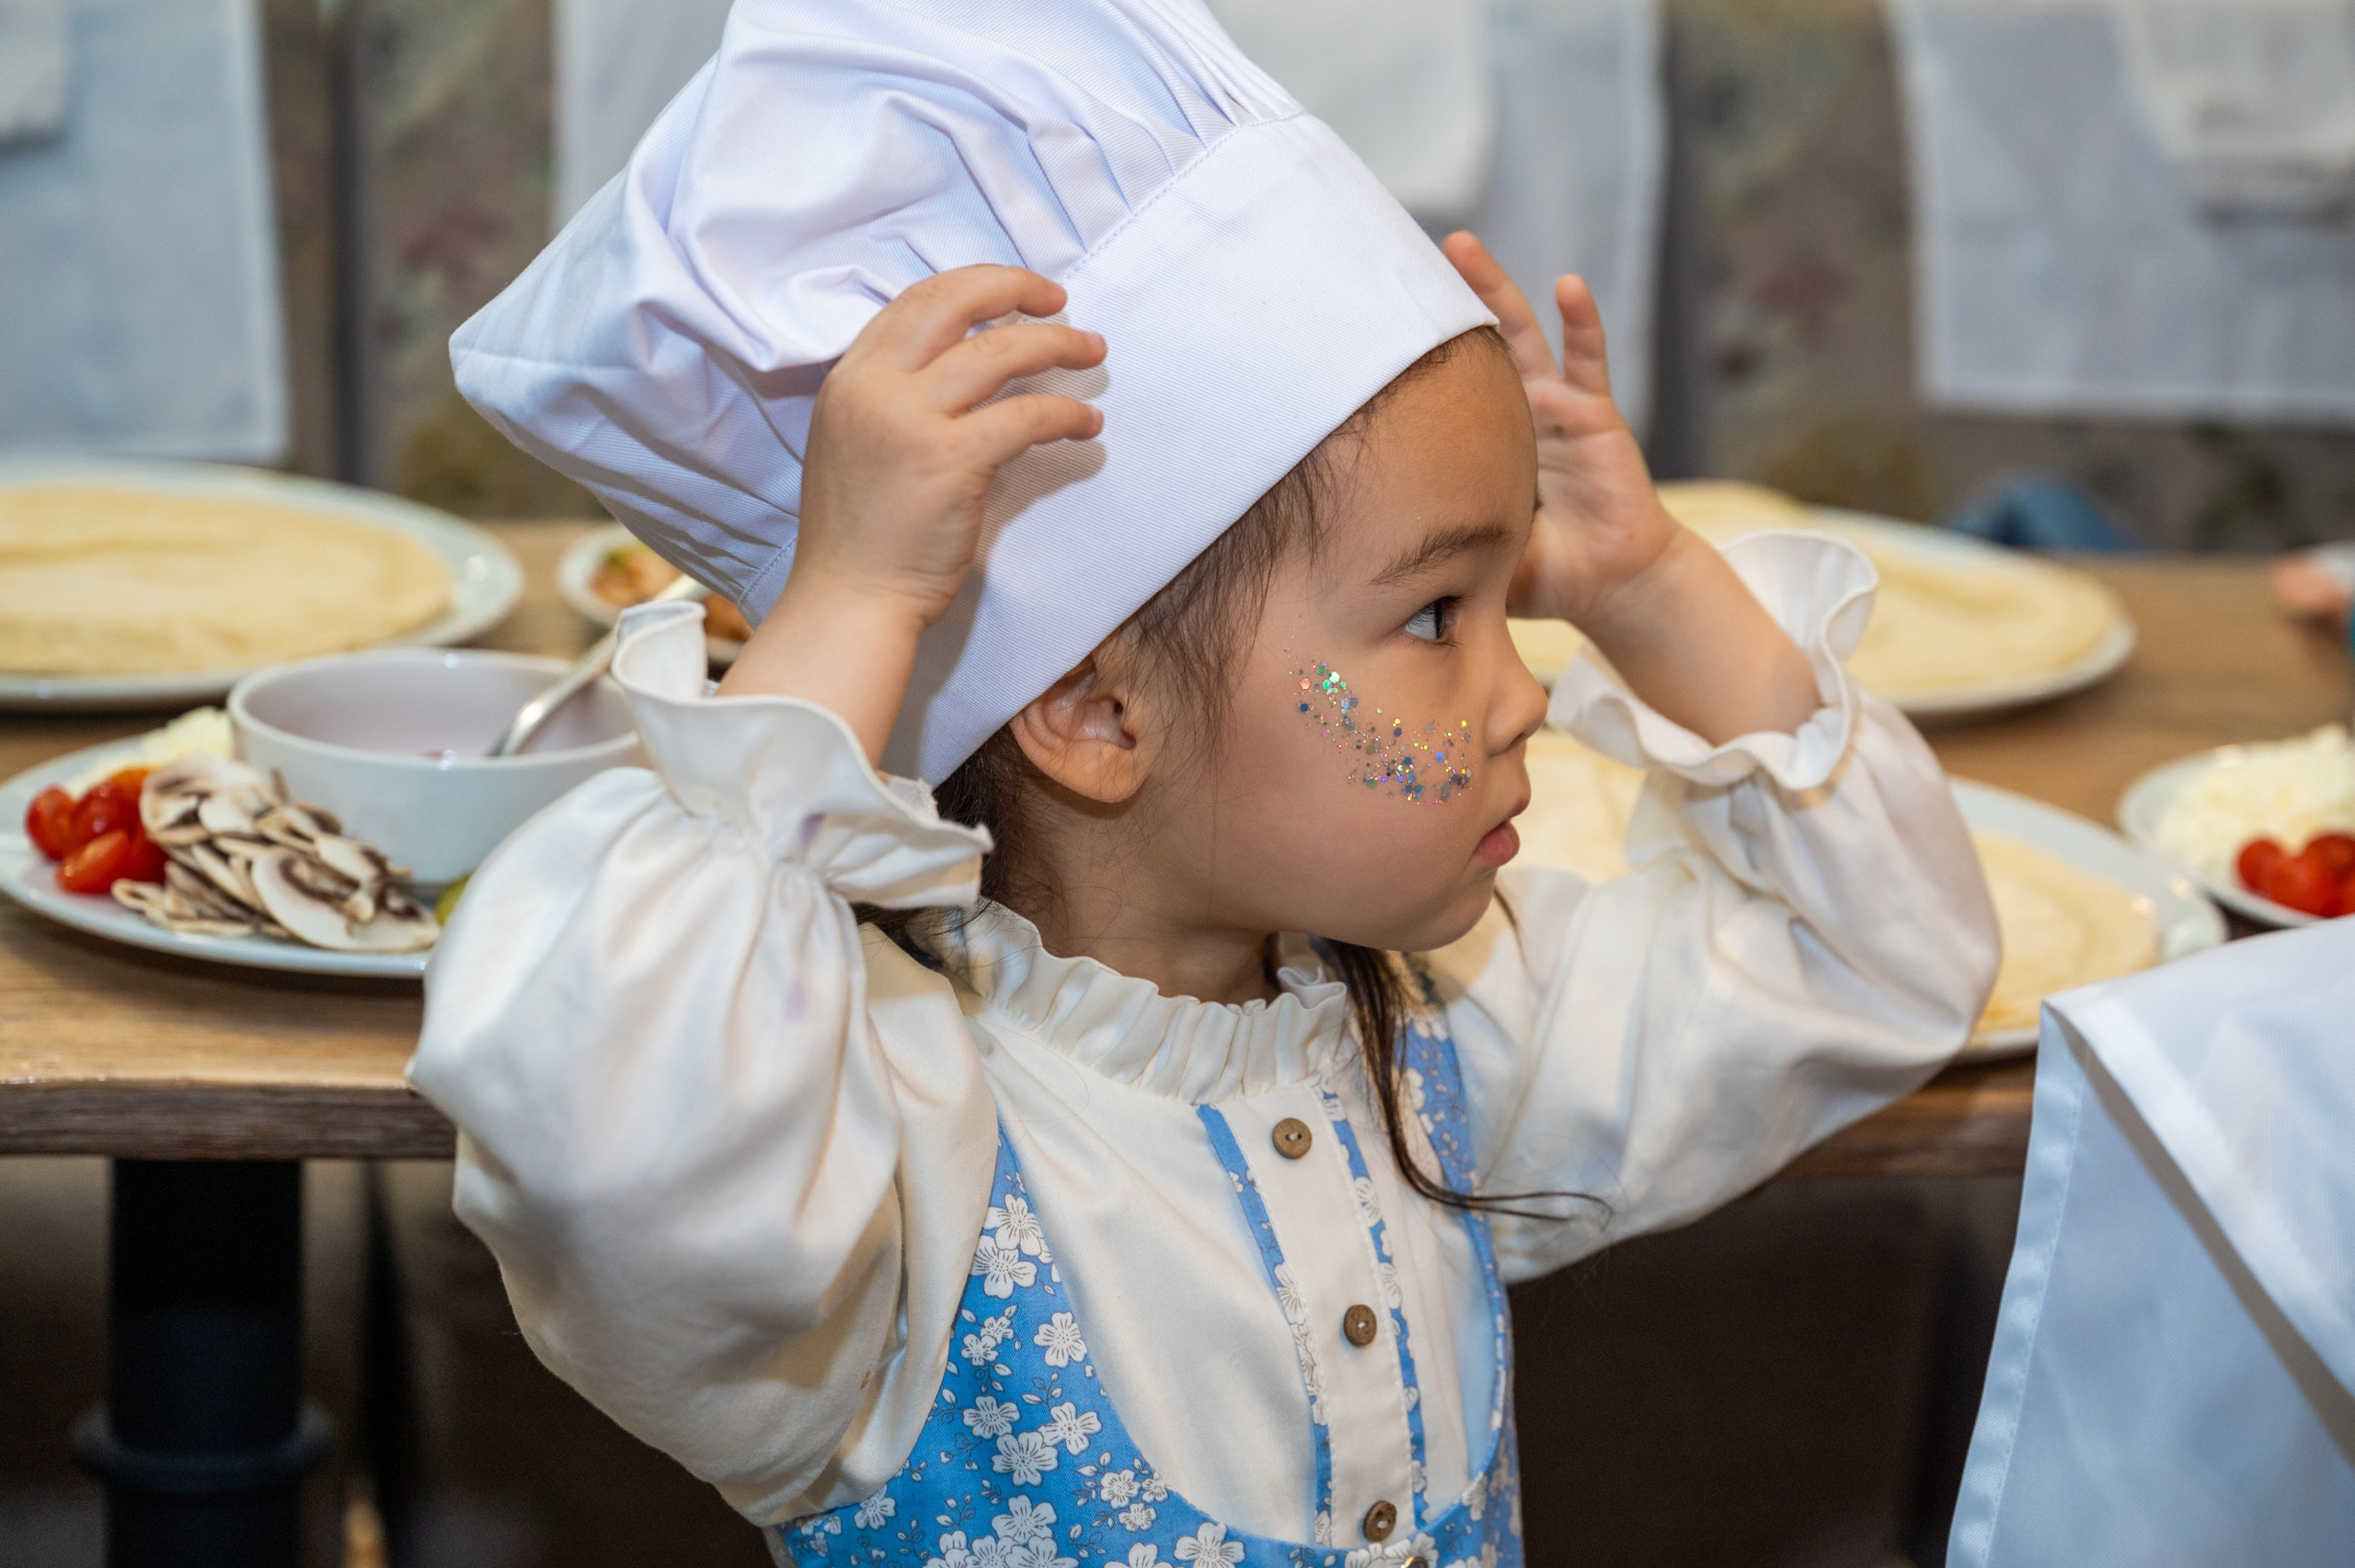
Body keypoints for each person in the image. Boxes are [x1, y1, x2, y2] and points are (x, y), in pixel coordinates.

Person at [411, 2, 1998, 1563]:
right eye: (1436, 614)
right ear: (1096, 708)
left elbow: (1873, 958)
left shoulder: (1442, 1041)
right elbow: (622, 1155)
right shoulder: (885, 1166)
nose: (1526, 692)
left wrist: (1649, 583)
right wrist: (851, 605)